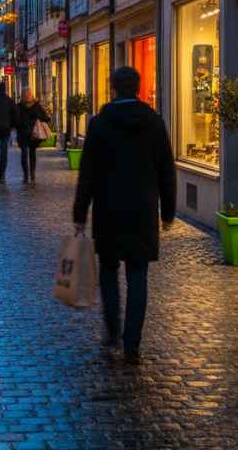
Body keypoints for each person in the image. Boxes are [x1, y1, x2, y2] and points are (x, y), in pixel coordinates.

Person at [72, 67, 176, 364]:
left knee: (108, 270)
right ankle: (132, 344)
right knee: (138, 275)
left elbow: (88, 173)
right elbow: (166, 170)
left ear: (113, 88)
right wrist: (167, 210)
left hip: (109, 209)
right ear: (138, 89)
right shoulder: (155, 123)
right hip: (142, 209)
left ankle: (112, 330)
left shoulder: (100, 124)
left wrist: (80, 212)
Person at [15, 88, 52, 184]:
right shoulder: (36, 105)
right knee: (32, 153)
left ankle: (26, 176)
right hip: (34, 133)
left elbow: (15, 119)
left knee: (24, 153)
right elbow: (45, 117)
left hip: (22, 133)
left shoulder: (19, 106)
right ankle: (32, 174)